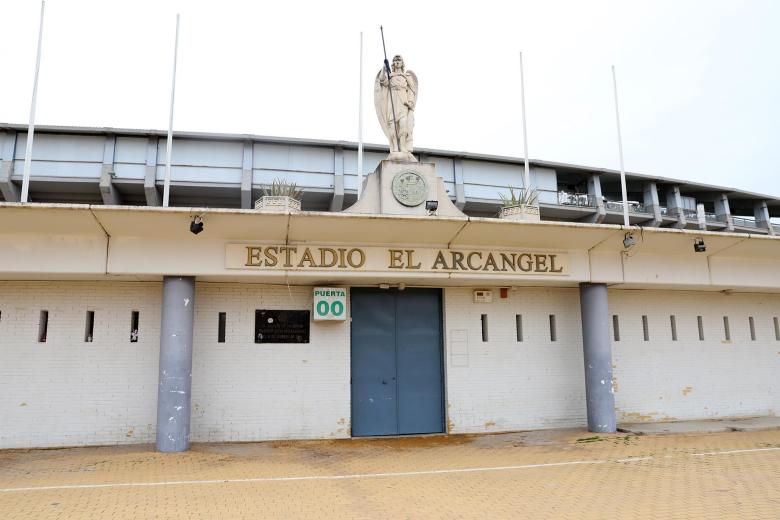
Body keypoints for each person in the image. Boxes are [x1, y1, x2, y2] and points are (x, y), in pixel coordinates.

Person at [374, 55, 418, 161]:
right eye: (395, 60)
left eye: (399, 60)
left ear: (402, 63)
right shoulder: (390, 76)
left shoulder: (406, 76)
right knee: (392, 125)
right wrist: (385, 67)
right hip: (392, 102)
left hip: (403, 102)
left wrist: (410, 101)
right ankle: (394, 147)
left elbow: (412, 90)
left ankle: (403, 147)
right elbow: (382, 81)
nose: (397, 62)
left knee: (403, 125)